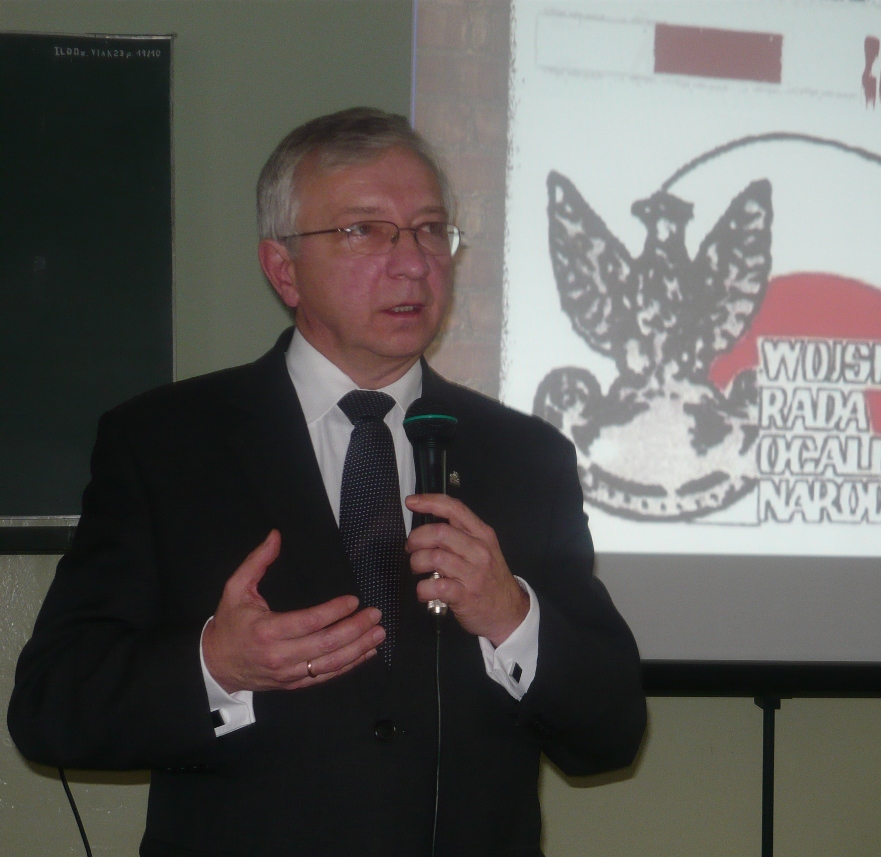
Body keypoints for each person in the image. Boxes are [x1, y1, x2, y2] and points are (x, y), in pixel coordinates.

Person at [8, 108, 646, 857]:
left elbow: (610, 730)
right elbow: (52, 709)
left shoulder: (527, 457)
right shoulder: (164, 444)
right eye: (364, 231)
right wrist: (217, 665)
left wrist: (513, 616)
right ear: (284, 269)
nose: (413, 263)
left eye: (429, 230)